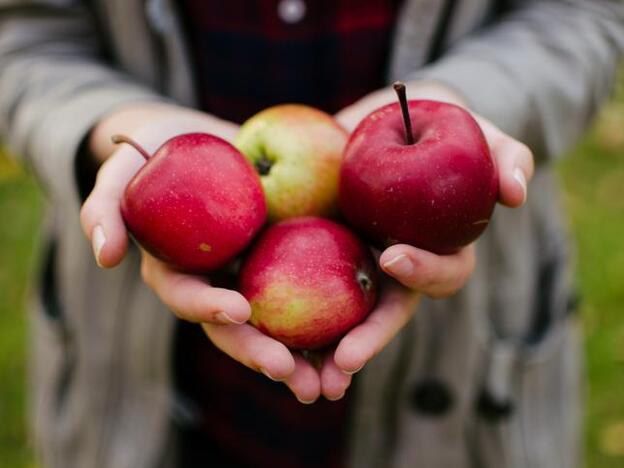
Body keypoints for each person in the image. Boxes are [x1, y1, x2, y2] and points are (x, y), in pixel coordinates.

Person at [1, 0, 622, 467]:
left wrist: (468, 100)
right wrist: (110, 123)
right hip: (148, 375)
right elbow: (23, 34)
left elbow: (581, 14)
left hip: (462, 367)